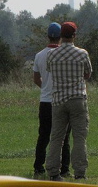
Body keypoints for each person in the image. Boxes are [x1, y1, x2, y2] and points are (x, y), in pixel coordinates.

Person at [45, 22, 92, 181]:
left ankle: (53, 172)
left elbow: (50, 71)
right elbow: (88, 74)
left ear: (60, 36)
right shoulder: (82, 53)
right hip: (78, 98)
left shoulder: (51, 54)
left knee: (57, 137)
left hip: (58, 100)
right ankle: (80, 172)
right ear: (74, 35)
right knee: (79, 137)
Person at [32, 22, 71, 179]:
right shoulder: (64, 54)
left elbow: (36, 79)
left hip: (45, 101)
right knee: (64, 137)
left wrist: (45, 87)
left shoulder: (39, 55)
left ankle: (38, 167)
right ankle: (64, 169)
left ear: (48, 36)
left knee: (44, 135)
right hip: (61, 100)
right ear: (61, 37)